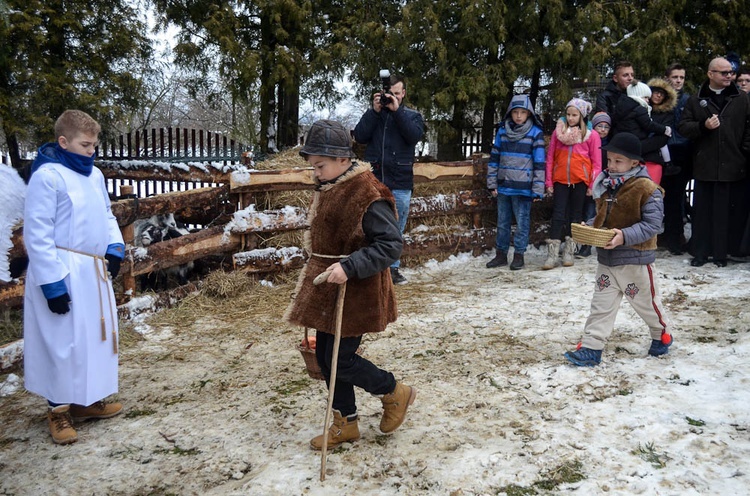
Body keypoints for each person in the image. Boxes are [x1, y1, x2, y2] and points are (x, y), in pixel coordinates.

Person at [284, 120, 416, 450]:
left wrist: (349, 265)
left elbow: (390, 245)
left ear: (343, 159)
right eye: (312, 166)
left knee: (341, 359)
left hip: (358, 291)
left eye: (320, 165)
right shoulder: (334, 184)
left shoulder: (368, 194)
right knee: (327, 359)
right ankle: (346, 422)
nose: (315, 172)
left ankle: (394, 391)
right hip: (332, 289)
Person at [23, 110, 125, 444]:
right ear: (63, 142)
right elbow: (36, 233)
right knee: (63, 340)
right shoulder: (48, 176)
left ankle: (86, 400)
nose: (91, 151)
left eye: (94, 145)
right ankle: (58, 410)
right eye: (85, 144)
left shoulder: (94, 175)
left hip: (91, 271)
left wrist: (114, 246)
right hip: (62, 268)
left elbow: (107, 214)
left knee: (93, 337)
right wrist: (51, 282)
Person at [564, 132, 673, 367]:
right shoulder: (605, 186)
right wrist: (591, 227)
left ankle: (661, 333)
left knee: (647, 304)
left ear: (634, 162)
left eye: (618, 161)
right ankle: (591, 348)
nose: (612, 166)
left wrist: (624, 236)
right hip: (607, 260)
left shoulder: (647, 189)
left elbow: (653, 225)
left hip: (636, 262)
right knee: (600, 306)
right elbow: (603, 216)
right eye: (610, 160)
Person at [677, 57, 750, 267]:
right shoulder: (695, 99)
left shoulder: (742, 98)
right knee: (702, 213)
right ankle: (700, 253)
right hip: (705, 165)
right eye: (723, 72)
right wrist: (703, 126)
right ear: (711, 74)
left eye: (730, 73)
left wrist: (743, 150)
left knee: (726, 213)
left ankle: (721, 254)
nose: (729, 76)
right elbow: (683, 127)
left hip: (733, 163)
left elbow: (748, 127)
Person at [353, 73, 425, 285]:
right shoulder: (375, 115)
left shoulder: (411, 116)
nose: (392, 98)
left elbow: (413, 136)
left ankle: (392, 270)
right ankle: (373, 269)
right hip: (374, 180)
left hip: (400, 181)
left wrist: (397, 112)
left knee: (396, 227)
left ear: (403, 94)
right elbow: (360, 136)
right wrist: (374, 112)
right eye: (388, 94)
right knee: (372, 225)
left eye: (396, 94)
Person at [485, 94, 546, 270]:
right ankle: (501, 254)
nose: (519, 116)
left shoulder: (535, 133)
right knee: (502, 222)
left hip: (523, 189)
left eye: (523, 112)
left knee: (522, 223)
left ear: (529, 114)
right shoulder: (502, 132)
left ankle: (519, 255)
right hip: (504, 186)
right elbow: (495, 158)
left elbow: (540, 162)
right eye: (515, 112)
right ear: (510, 113)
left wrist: (537, 189)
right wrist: (492, 183)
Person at [543, 98, 602, 269]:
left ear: (582, 116)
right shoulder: (558, 133)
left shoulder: (591, 136)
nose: (570, 118)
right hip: (560, 179)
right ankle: (552, 254)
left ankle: (569, 251)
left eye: (574, 115)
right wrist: (549, 180)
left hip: (580, 180)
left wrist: (592, 184)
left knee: (576, 216)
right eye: (568, 114)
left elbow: (596, 163)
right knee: (558, 214)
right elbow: (550, 158)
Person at [661, 63, 693, 255]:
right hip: (664, 150)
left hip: (682, 151)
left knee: (678, 196)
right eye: (675, 77)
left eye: (681, 77)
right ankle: (670, 234)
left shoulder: (689, 100)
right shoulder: (661, 99)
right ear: (667, 78)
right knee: (667, 197)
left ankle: (676, 237)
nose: (679, 80)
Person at [612, 81, 672, 184]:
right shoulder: (639, 108)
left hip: (623, 142)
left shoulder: (621, 106)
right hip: (637, 143)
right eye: (646, 98)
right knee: (664, 137)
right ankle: (668, 163)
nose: (648, 101)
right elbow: (648, 124)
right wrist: (664, 129)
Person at [577, 111, 613, 259]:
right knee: (586, 214)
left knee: (596, 214)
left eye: (606, 127)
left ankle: (592, 244)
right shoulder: (589, 141)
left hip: (604, 186)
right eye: (600, 126)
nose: (603, 129)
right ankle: (584, 244)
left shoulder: (611, 145)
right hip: (589, 183)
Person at [641, 78, 678, 184]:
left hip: (654, 157)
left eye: (662, 94)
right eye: (656, 92)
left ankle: (668, 163)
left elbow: (665, 135)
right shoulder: (640, 109)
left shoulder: (667, 114)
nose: (658, 96)